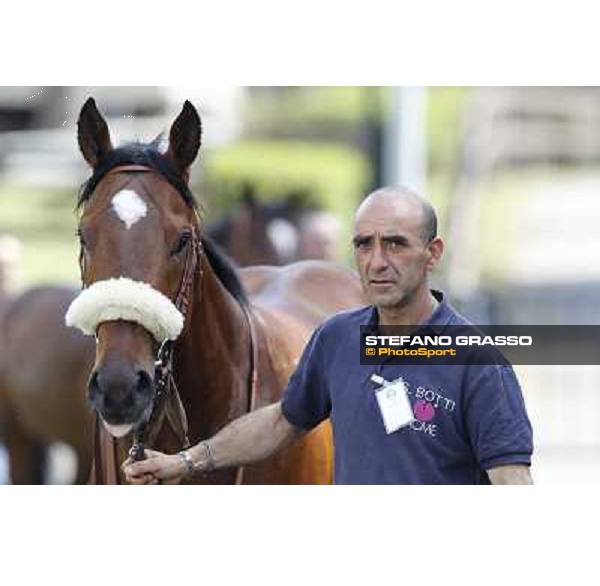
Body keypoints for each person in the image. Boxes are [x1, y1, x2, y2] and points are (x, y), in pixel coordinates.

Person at [123, 186, 533, 485]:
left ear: (433, 253)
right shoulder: (337, 337)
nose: (377, 262)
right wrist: (187, 461)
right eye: (364, 244)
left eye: (395, 244)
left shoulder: (479, 364)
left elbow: (512, 484)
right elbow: (284, 420)